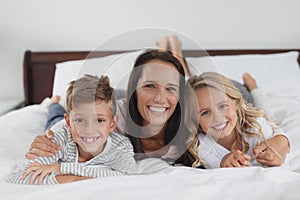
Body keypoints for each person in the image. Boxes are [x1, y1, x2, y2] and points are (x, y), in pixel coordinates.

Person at [25, 49, 203, 171]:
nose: (160, 97)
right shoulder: (115, 113)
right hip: (107, 105)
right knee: (57, 116)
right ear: (134, 88)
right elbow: (63, 130)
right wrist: (47, 143)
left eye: (171, 88)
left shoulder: (189, 124)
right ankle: (53, 104)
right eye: (149, 85)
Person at [7, 75, 135, 185]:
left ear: (112, 124)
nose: (89, 130)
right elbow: (18, 176)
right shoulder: (60, 138)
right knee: (54, 117)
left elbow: (126, 176)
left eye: (99, 120)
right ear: (68, 122)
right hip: (58, 126)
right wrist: (75, 179)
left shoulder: (121, 146)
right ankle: (53, 103)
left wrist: (62, 169)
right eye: (80, 120)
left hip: (70, 131)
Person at [188, 72, 290, 168]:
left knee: (266, 114)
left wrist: (276, 151)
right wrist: (223, 162)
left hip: (243, 96)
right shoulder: (199, 145)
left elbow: (280, 161)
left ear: (236, 103)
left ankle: (253, 87)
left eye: (223, 106)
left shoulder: (256, 125)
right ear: (194, 119)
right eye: (205, 112)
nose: (217, 118)